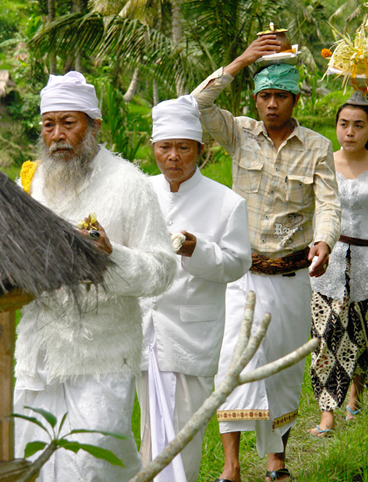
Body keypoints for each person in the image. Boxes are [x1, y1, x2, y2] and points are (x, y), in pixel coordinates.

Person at [13, 71, 176, 482]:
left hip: (101, 358)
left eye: (69, 123)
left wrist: (110, 255)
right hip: (39, 356)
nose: (58, 135)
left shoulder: (129, 185)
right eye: (49, 125)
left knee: (93, 466)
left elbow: (162, 270)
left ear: (94, 126)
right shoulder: (31, 183)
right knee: (32, 464)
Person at [191, 35, 340, 482]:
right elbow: (197, 104)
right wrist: (241, 60)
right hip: (241, 272)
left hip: (292, 274)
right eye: (265, 96)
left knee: (285, 366)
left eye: (280, 96)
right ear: (255, 100)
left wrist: (325, 242)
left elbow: (329, 204)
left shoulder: (317, 146)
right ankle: (231, 466)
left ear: (295, 99)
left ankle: (277, 459)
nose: (271, 104)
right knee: (234, 363)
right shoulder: (238, 132)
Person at [139, 96, 251, 482]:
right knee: (149, 435)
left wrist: (195, 249)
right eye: (164, 147)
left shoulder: (226, 203)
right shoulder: (140, 193)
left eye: (183, 147)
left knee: (182, 436)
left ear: (200, 151)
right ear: (153, 148)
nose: (173, 157)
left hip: (189, 336)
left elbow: (237, 264)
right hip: (141, 334)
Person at [307, 93, 368, 438]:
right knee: (325, 337)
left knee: (359, 336)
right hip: (325, 265)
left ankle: (355, 394)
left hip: (366, 265)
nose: (350, 132)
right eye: (344, 124)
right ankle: (326, 414)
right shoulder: (323, 163)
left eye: (359, 125)